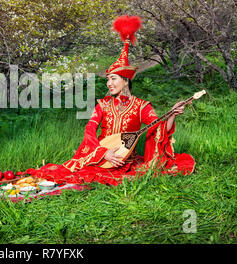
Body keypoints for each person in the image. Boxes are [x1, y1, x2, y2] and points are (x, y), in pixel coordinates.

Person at [25, 15, 195, 186]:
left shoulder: (141, 106)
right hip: (103, 156)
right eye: (108, 79)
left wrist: (172, 114)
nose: (109, 83)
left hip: (124, 159)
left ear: (126, 80)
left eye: (113, 79)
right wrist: (102, 153)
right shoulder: (103, 104)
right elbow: (90, 130)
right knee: (77, 173)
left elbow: (157, 128)